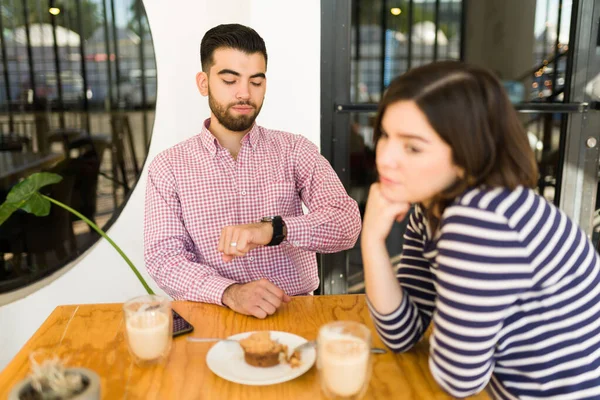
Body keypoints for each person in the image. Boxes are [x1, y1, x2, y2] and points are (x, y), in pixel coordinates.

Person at [361, 61, 600, 399]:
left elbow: (459, 379)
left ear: (465, 154)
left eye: (412, 147)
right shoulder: (428, 208)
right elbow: (401, 333)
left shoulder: (482, 221)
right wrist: (371, 240)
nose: (384, 158)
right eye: (385, 135)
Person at [144, 24, 361, 319]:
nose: (244, 93)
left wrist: (274, 229)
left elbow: (347, 223)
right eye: (230, 80)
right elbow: (164, 259)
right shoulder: (168, 166)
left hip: (294, 309)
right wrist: (230, 292)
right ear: (203, 83)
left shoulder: (294, 149)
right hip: (213, 312)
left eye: (256, 82)